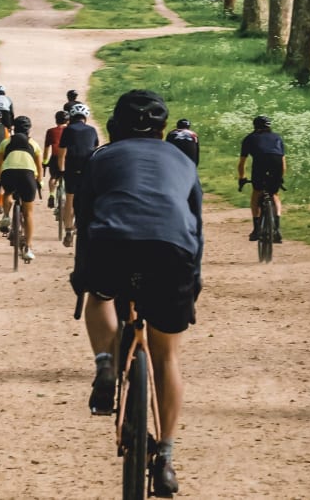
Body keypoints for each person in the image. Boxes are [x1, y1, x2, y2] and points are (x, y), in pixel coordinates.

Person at [70, 89, 203, 497]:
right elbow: (195, 228)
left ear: (114, 126)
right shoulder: (182, 160)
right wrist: (191, 286)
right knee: (166, 354)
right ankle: (164, 456)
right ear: (163, 129)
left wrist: (84, 278)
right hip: (172, 251)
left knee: (101, 295)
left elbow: (85, 218)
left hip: (112, 243)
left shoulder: (101, 157)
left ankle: (106, 364)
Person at [0, 115, 43, 261]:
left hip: (9, 172)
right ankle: (28, 248)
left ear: (14, 128)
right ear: (29, 129)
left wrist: (0, 178)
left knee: (8, 192)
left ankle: (5, 215)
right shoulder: (34, 144)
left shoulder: (6, 142)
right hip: (27, 175)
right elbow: (39, 167)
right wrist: (39, 181)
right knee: (28, 213)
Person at [237, 115, 286, 242]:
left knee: (257, 192)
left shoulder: (249, 138)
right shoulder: (277, 137)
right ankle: (277, 229)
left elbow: (242, 162)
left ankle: (256, 229)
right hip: (276, 162)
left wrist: (242, 178)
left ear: (255, 126)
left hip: (260, 161)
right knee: (274, 193)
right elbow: (283, 161)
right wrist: (280, 178)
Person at [57, 102, 99, 247]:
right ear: (86, 117)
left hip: (72, 167)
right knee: (87, 198)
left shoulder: (68, 130)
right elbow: (95, 150)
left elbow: (61, 153)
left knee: (69, 198)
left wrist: (61, 170)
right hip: (87, 168)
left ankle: (68, 229)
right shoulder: (92, 130)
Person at [43, 110, 69, 208]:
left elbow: (46, 148)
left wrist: (45, 161)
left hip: (55, 157)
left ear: (56, 120)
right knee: (69, 178)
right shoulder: (70, 130)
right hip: (67, 158)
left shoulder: (50, 131)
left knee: (53, 177)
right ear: (67, 121)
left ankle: (51, 195)